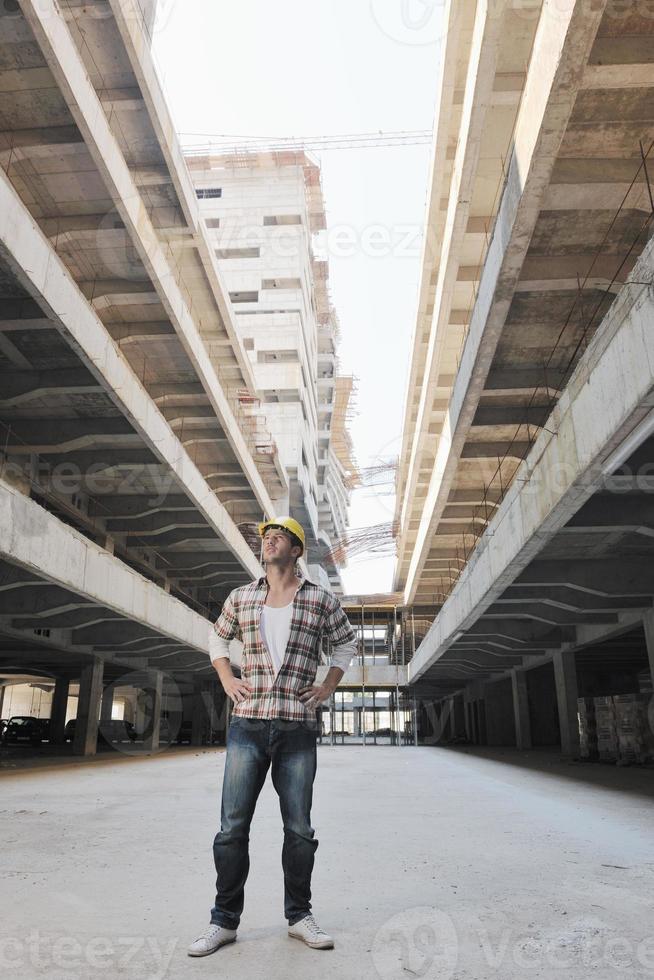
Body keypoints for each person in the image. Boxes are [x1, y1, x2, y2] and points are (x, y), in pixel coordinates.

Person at [188, 517, 356, 957]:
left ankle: (299, 916)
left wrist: (327, 687)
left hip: (297, 727)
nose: (269, 540)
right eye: (265, 537)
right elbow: (217, 637)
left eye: (278, 535)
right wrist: (226, 678)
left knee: (299, 829)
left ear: (297, 550)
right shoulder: (241, 596)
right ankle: (223, 922)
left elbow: (346, 644)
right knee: (231, 829)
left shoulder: (319, 600)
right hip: (248, 725)